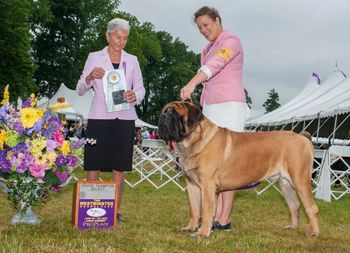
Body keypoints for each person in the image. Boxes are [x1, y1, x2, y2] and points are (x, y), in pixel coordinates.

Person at [180, 6, 249, 232]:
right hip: (209, 109)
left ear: (218, 20)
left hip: (230, 106)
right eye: (199, 27)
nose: (203, 30)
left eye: (206, 25)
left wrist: (193, 82)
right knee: (211, 167)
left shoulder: (231, 41)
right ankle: (213, 215)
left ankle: (224, 218)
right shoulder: (207, 48)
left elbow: (215, 66)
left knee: (229, 165)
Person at [76, 18, 145, 222]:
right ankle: (90, 208)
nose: (121, 42)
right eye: (117, 37)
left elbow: (140, 88)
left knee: (119, 165)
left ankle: (114, 210)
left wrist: (136, 96)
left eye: (125, 38)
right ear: (107, 36)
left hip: (125, 118)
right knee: (93, 163)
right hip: (99, 116)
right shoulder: (94, 57)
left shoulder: (132, 60)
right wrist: (89, 77)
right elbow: (80, 88)